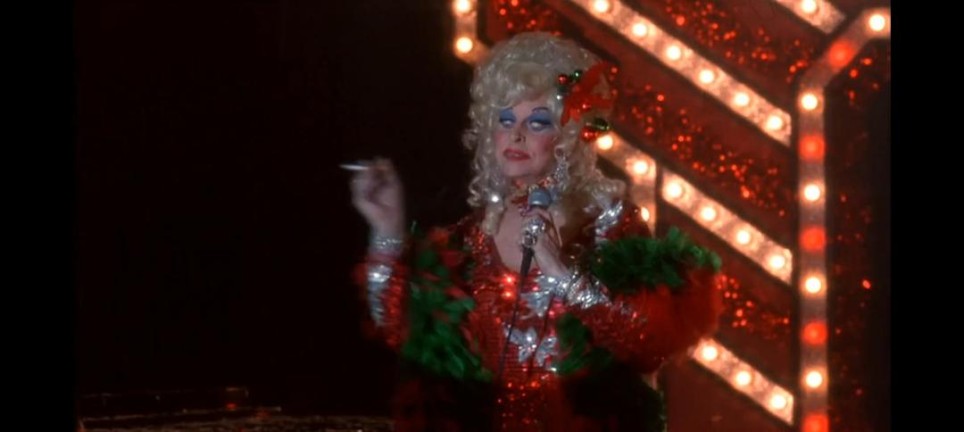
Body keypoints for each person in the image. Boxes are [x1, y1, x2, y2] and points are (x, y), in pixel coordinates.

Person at [348, 32, 723, 432]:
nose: (517, 134)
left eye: (537, 122)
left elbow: (652, 341)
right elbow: (399, 327)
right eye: (505, 120)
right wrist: (386, 227)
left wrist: (562, 274)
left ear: (569, 134)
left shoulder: (610, 225)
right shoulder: (472, 236)